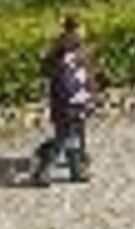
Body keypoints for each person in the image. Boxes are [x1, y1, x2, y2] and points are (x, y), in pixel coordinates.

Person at [25, 15, 94, 186]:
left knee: (75, 136)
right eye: (79, 29)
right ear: (72, 31)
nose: (82, 32)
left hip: (78, 102)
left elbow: (88, 76)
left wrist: (90, 95)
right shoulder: (59, 53)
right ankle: (42, 170)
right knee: (63, 139)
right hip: (65, 104)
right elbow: (54, 77)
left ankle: (77, 169)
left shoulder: (81, 51)